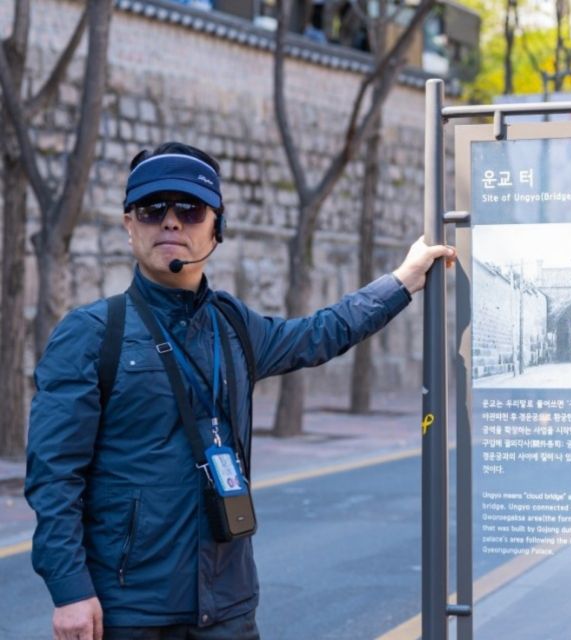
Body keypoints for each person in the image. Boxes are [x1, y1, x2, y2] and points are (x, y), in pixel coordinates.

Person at [25, 142, 455, 640]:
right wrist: (70, 590)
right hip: (131, 612)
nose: (170, 222)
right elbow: (53, 475)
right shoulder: (93, 333)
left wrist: (401, 281)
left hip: (229, 606)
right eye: (151, 209)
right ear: (128, 225)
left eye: (189, 209)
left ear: (216, 227)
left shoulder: (233, 325)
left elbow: (319, 333)